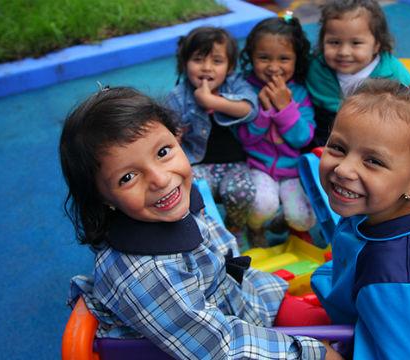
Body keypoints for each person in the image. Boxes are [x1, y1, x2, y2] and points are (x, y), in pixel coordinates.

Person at [60, 87, 343, 360]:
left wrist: (284, 304)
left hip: (237, 307)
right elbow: (221, 348)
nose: (160, 178)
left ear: (178, 137)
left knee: (337, 324)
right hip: (205, 345)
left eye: (162, 152)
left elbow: (226, 266)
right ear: (103, 198)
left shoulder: (176, 198)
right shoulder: (147, 276)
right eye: (128, 177)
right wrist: (310, 352)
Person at [310, 79, 410, 359]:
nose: (344, 169)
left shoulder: (390, 280)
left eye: (373, 161)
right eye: (338, 147)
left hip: (363, 318)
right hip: (351, 291)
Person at [166, 26, 257, 247]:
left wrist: (213, 102)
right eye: (198, 59)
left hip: (236, 165)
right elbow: (168, 138)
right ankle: (205, 236)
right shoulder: (178, 96)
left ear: (230, 66)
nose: (207, 68)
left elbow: (250, 109)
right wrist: (174, 137)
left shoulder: (235, 83)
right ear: (184, 62)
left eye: (217, 61)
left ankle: (235, 228)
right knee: (189, 193)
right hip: (198, 165)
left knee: (243, 191)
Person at [237, 13, 316, 247]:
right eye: (263, 57)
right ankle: (255, 227)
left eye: (284, 58)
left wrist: (285, 107)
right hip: (258, 167)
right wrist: (264, 110)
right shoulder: (245, 90)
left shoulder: (300, 93)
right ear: (251, 57)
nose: (273, 67)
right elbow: (247, 140)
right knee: (263, 205)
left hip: (291, 172)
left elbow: (302, 138)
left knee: (303, 218)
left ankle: (287, 221)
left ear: (296, 60)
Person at [306, 0, 410, 148]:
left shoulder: (393, 74)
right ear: (322, 42)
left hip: (377, 138)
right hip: (325, 136)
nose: (344, 52)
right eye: (334, 42)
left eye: (356, 43)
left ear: (377, 44)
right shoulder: (316, 68)